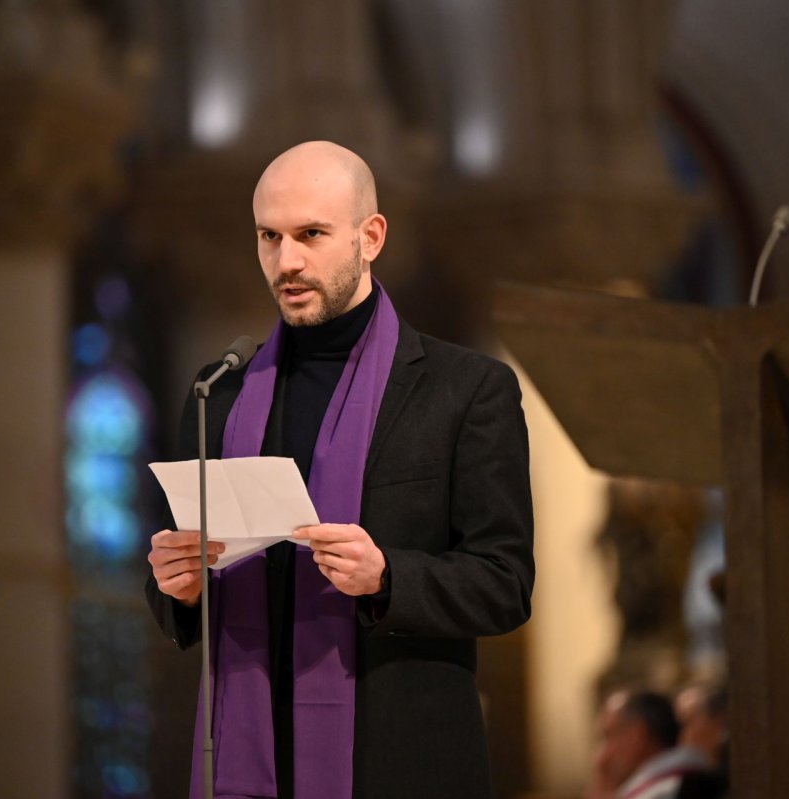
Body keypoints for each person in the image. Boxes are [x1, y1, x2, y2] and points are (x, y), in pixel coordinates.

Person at [145, 140, 535, 799]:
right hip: (248, 756)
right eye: (269, 236)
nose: (286, 261)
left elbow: (505, 582)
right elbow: (187, 592)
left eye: (311, 234)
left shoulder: (465, 390)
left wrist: (387, 575)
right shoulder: (222, 392)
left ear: (370, 235)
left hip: (400, 762)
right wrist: (174, 585)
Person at [588, 690, 720, 799]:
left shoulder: (659, 792)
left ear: (636, 736)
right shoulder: (694, 773)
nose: (602, 754)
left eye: (608, 736)